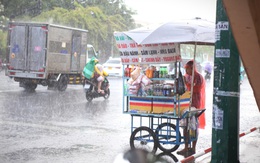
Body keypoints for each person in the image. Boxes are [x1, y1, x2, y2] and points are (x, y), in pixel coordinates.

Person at [177, 60, 206, 156]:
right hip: (185, 104)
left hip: (194, 104)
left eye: (187, 69)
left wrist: (187, 84)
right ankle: (186, 147)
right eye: (185, 69)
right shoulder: (186, 77)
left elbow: (196, 89)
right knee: (185, 126)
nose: (186, 71)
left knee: (194, 126)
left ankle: (193, 147)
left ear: (192, 68)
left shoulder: (198, 77)